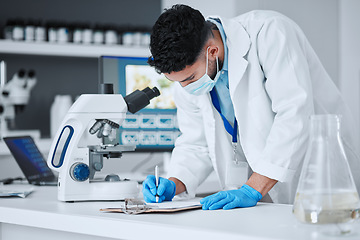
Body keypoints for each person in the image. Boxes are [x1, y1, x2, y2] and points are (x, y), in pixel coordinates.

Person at [142, 4, 358, 210]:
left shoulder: (268, 32)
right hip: (258, 190)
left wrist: (251, 189)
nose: (185, 87)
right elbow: (195, 142)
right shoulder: (191, 72)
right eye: (178, 82)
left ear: (212, 51)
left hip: (316, 172)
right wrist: (174, 182)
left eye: (190, 78)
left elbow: (294, 116)